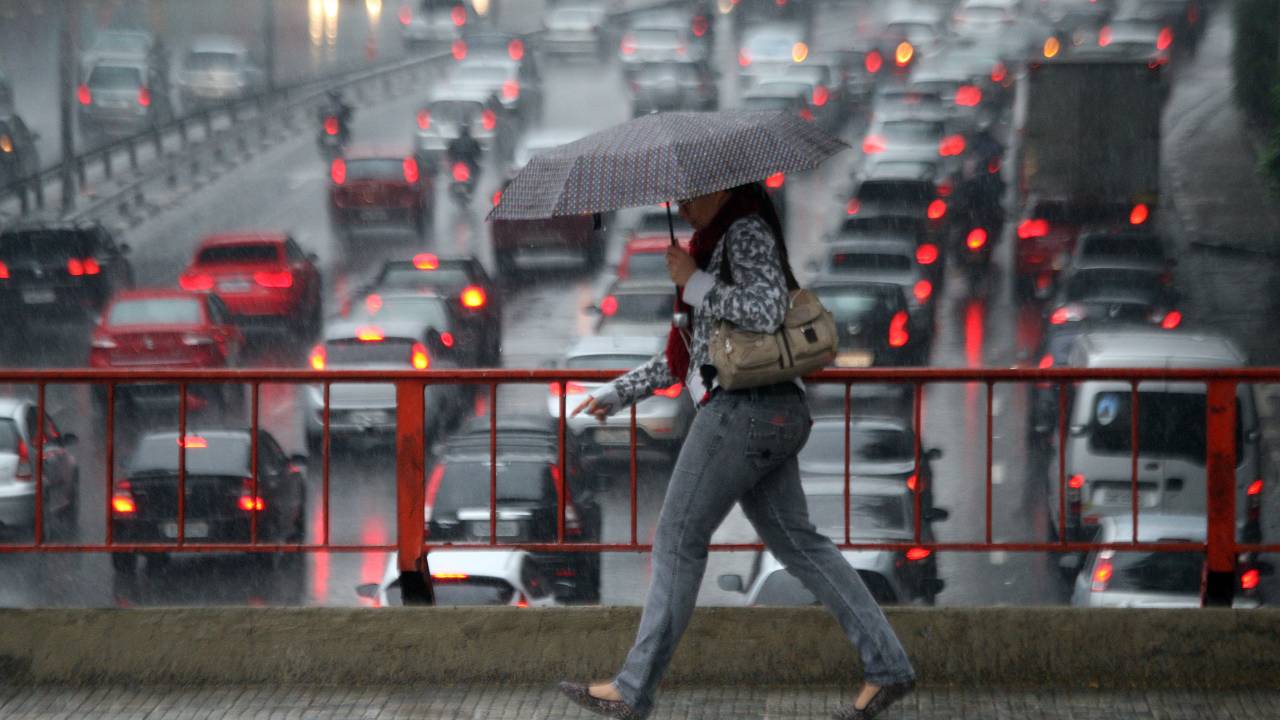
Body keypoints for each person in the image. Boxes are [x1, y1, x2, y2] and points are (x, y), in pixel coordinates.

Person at [557, 182, 916, 720]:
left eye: (688, 197)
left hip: (743, 410)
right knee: (799, 544)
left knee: (678, 539)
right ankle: (888, 667)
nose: (680, 208)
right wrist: (618, 391)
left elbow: (768, 309)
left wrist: (696, 283)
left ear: (719, 191)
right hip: (767, 411)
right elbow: (694, 357)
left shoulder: (743, 232)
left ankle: (633, 689)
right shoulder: (714, 244)